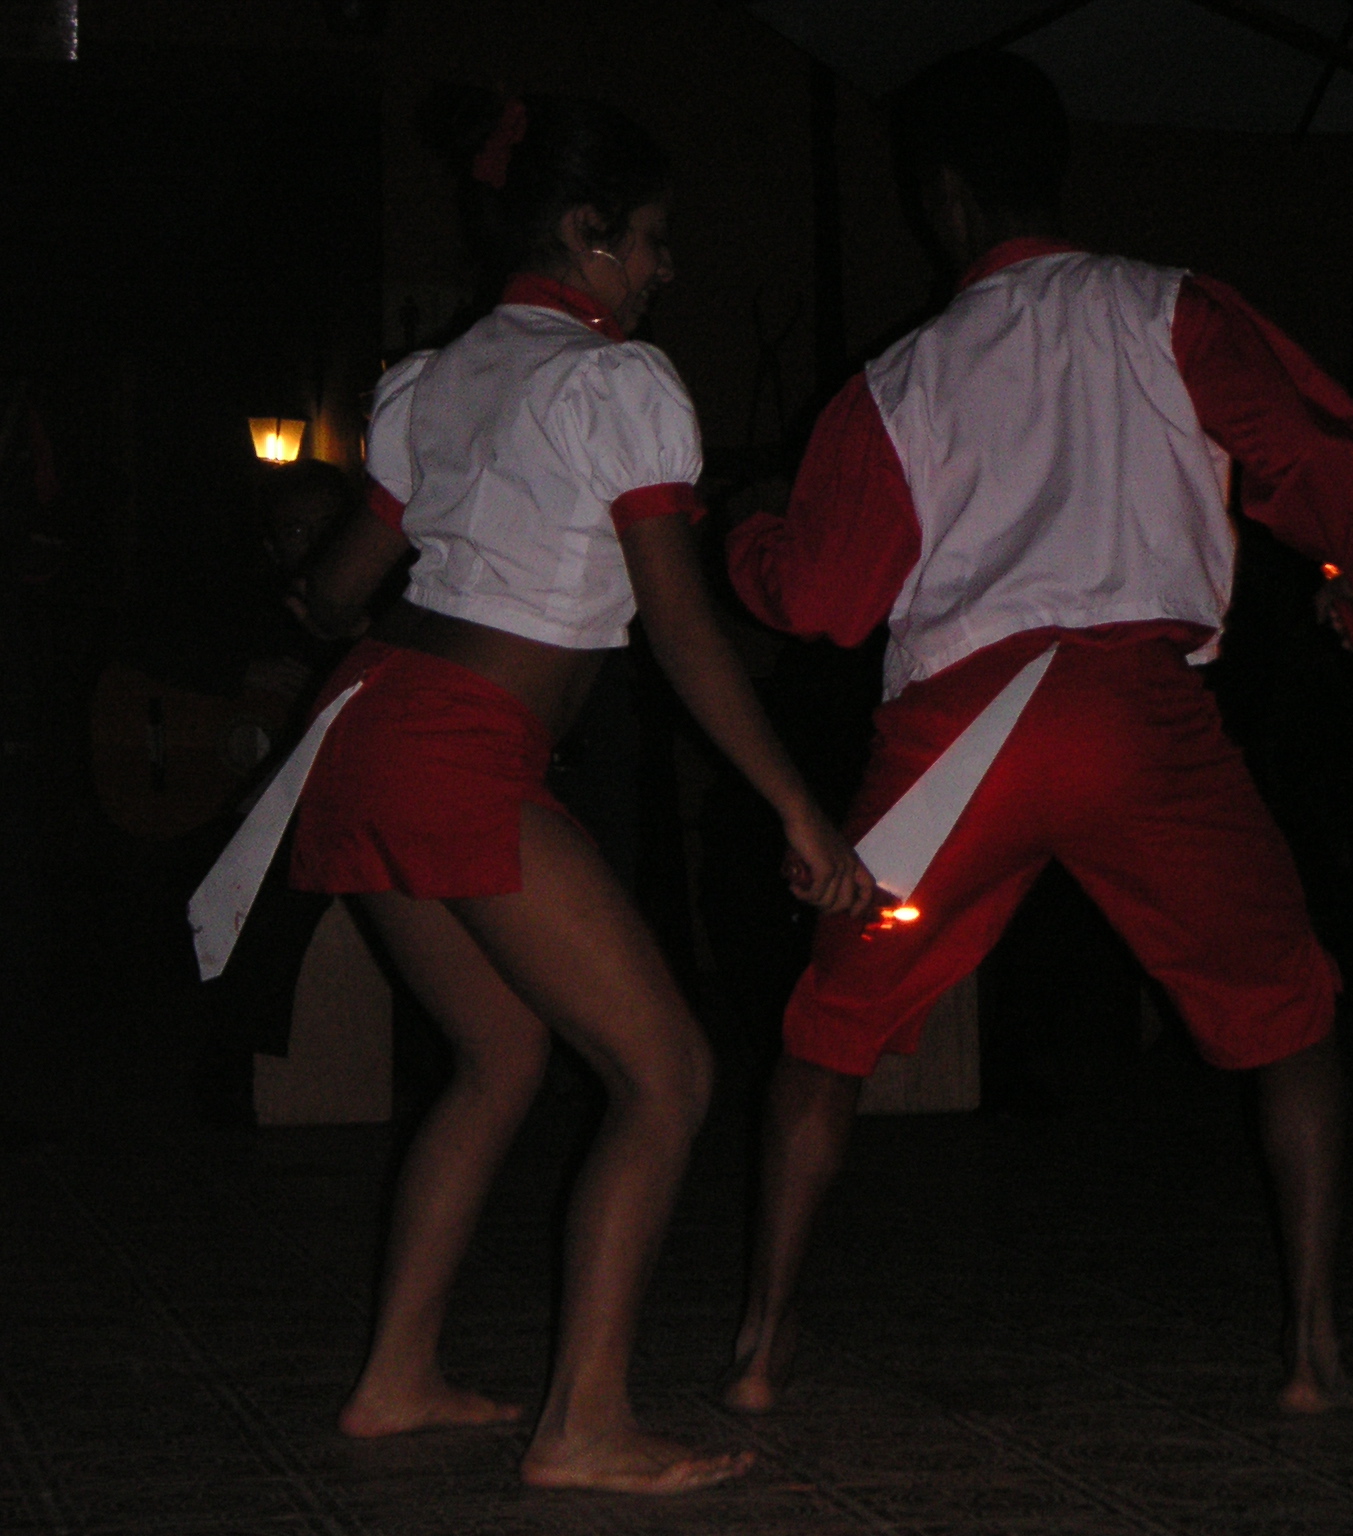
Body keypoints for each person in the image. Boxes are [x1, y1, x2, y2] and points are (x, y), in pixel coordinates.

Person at [721, 51, 1353, 1417]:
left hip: (959, 743)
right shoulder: (1170, 308)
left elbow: (820, 597)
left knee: (831, 1031)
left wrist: (741, 533)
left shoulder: (899, 378)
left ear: (946, 202)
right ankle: (1315, 1351)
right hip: (1141, 721)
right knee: (1292, 1010)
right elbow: (1324, 466)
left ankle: (757, 1346)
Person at [285, 93, 871, 1493]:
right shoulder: (621, 382)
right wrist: (799, 806)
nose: (665, 270)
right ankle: (583, 1423)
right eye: (651, 241)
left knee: (502, 1055)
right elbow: (675, 630)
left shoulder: (432, 376)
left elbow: (334, 593)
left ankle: (392, 1380)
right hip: (459, 746)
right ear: (585, 232)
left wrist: (304, 574)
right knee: (666, 1071)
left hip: (363, 725)